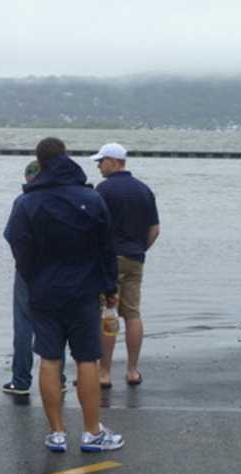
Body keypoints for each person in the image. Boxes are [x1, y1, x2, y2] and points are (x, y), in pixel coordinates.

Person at [5, 137, 124, 452]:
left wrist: (31, 275)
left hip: (43, 290)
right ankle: (90, 431)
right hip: (84, 290)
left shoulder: (27, 202)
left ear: (39, 162)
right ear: (66, 157)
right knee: (87, 358)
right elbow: (106, 247)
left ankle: (57, 432)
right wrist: (110, 286)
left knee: (49, 358)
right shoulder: (91, 198)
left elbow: (16, 241)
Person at [92, 143, 160, 387]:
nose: (98, 166)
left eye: (101, 161)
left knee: (108, 313)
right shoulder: (144, 190)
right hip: (135, 259)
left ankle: (104, 373)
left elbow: (94, 227)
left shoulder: (103, 190)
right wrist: (141, 250)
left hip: (109, 261)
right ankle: (132, 370)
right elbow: (154, 228)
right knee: (132, 314)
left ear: (113, 161)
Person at [2, 160, 67, 396]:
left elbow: (12, 236)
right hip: (60, 271)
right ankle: (58, 378)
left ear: (30, 179)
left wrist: (25, 264)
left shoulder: (23, 202)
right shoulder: (66, 199)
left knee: (23, 325)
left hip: (28, 272)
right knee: (58, 326)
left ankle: (21, 380)